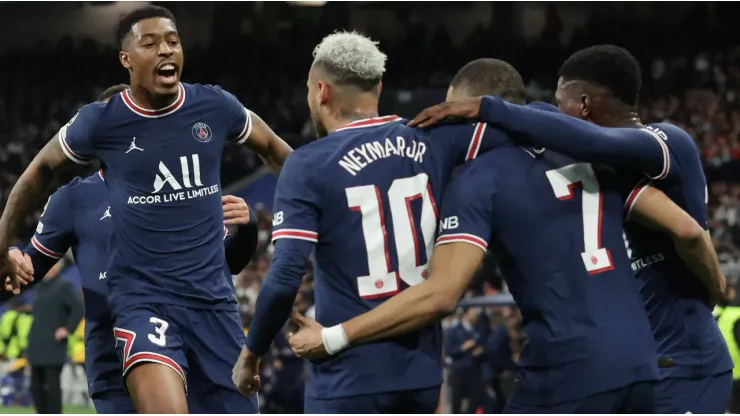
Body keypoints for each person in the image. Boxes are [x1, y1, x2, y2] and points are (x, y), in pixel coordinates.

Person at [287, 57, 728, 413]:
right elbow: (685, 227)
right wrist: (715, 286)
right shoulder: (586, 154)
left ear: (467, 109)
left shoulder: (478, 180)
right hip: (642, 371)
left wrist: (334, 336)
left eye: (448, 111)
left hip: (566, 374)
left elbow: (441, 294)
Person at [0, 5, 292, 413]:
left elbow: (276, 160)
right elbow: (38, 177)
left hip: (213, 306)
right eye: (150, 43)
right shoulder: (90, 150)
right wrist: (6, 247)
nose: (166, 51)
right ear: (126, 60)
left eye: (173, 41)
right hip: (139, 309)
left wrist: (306, 212)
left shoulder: (213, 107)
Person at [232, 33, 516, 414]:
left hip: (347, 377)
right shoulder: (434, 138)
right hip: (421, 374)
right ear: (379, 86)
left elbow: (285, 279)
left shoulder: (309, 163)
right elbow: (518, 120)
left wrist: (251, 353)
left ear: (321, 92)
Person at [25, 260, 83, 414]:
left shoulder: (63, 286)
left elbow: (78, 309)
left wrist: (67, 329)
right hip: (36, 343)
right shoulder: (40, 287)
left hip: (53, 345)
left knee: (52, 386)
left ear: (56, 267)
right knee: (35, 386)